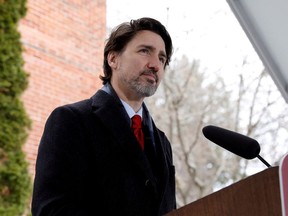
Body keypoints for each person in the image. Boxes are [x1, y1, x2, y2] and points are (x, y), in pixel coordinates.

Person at [32, 17, 176, 216]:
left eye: (162, 58)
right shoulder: (71, 120)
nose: (156, 65)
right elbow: (50, 209)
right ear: (113, 59)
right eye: (145, 51)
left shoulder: (163, 143)